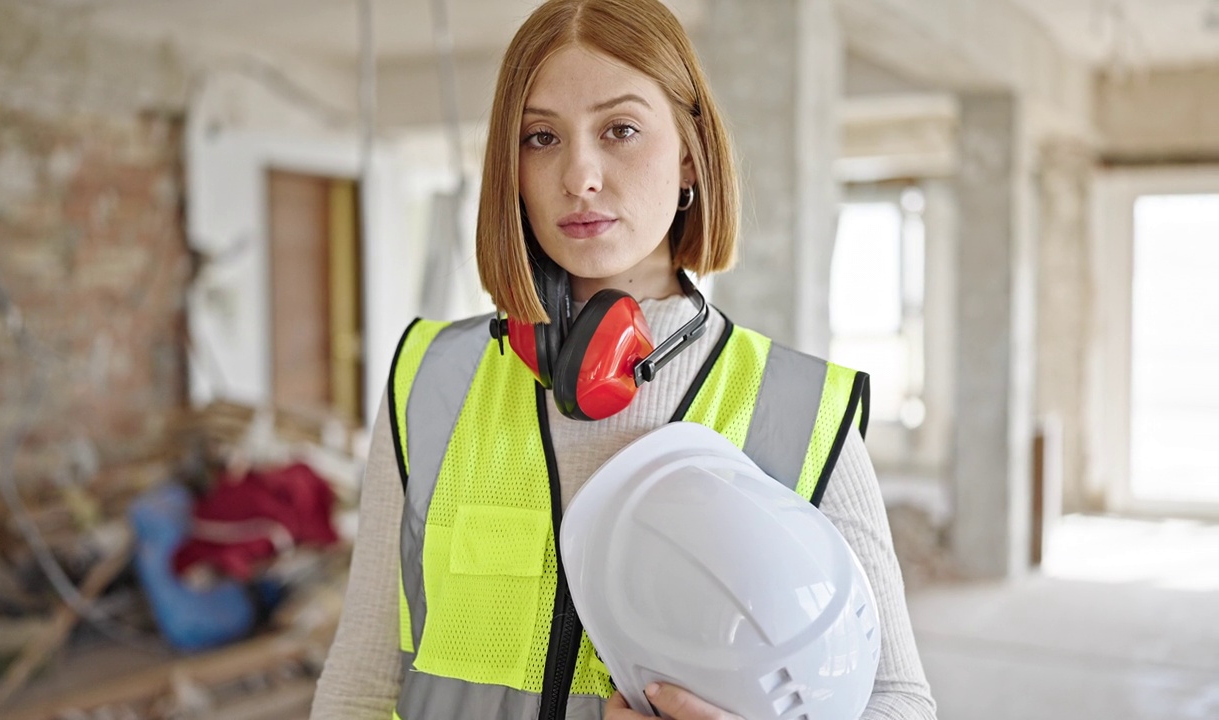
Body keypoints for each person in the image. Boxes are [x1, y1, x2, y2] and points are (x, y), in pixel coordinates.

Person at [311, 0, 938, 718]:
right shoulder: (431, 381)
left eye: (621, 130)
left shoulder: (797, 412)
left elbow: (898, 700)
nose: (579, 175)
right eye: (541, 137)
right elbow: (359, 684)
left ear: (689, 156)